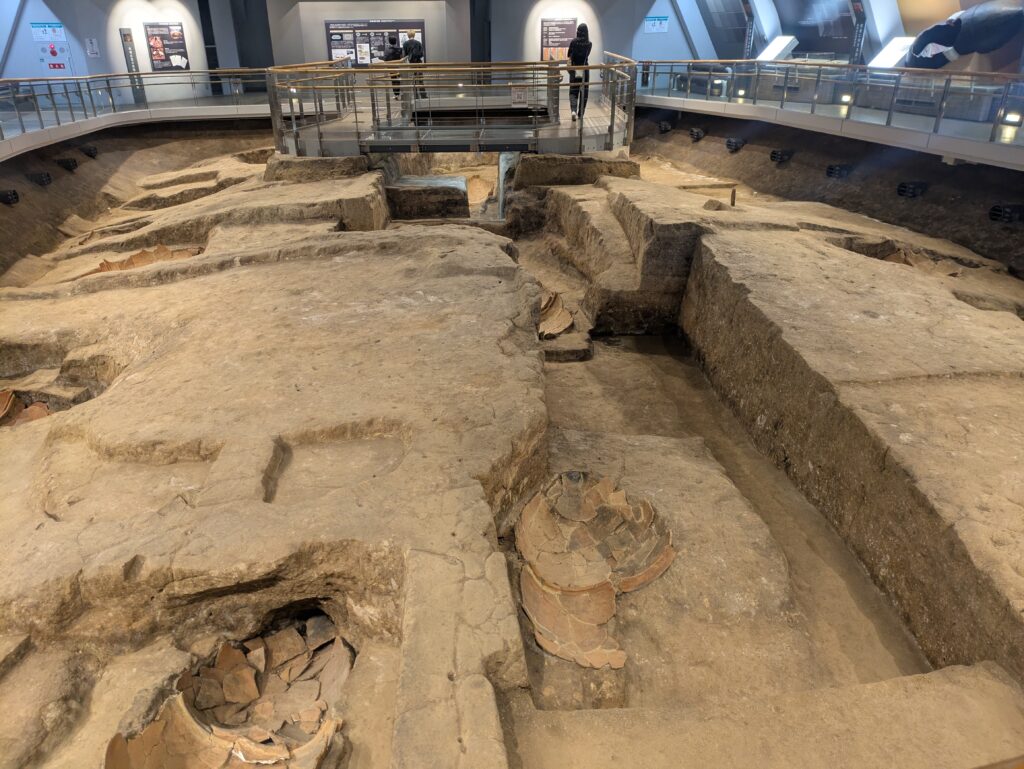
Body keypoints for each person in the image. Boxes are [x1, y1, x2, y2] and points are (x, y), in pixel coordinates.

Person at [904, 2, 1024, 69]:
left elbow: (929, 34)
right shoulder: (917, 54)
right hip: (957, 35)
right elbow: (929, 35)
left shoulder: (918, 50)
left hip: (958, 31)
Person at [567, 23, 592, 121]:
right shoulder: (589, 44)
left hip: (574, 68)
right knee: (584, 91)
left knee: (573, 90)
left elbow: (569, 54)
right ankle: (581, 114)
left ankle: (573, 110)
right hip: (585, 69)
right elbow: (587, 55)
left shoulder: (573, 42)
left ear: (578, 31)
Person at [403, 30, 427, 99]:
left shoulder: (405, 44)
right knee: (420, 80)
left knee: (413, 80)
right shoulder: (418, 43)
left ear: (408, 35)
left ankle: (415, 96)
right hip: (418, 63)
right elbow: (422, 54)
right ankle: (423, 95)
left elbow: (404, 55)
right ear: (414, 35)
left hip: (411, 64)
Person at [382, 34, 404, 100]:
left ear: (389, 42)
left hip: (391, 67)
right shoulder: (400, 49)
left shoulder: (386, 50)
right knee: (400, 80)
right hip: (399, 67)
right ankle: (402, 93)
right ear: (396, 41)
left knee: (394, 80)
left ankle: (396, 95)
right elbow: (402, 58)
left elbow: (385, 59)